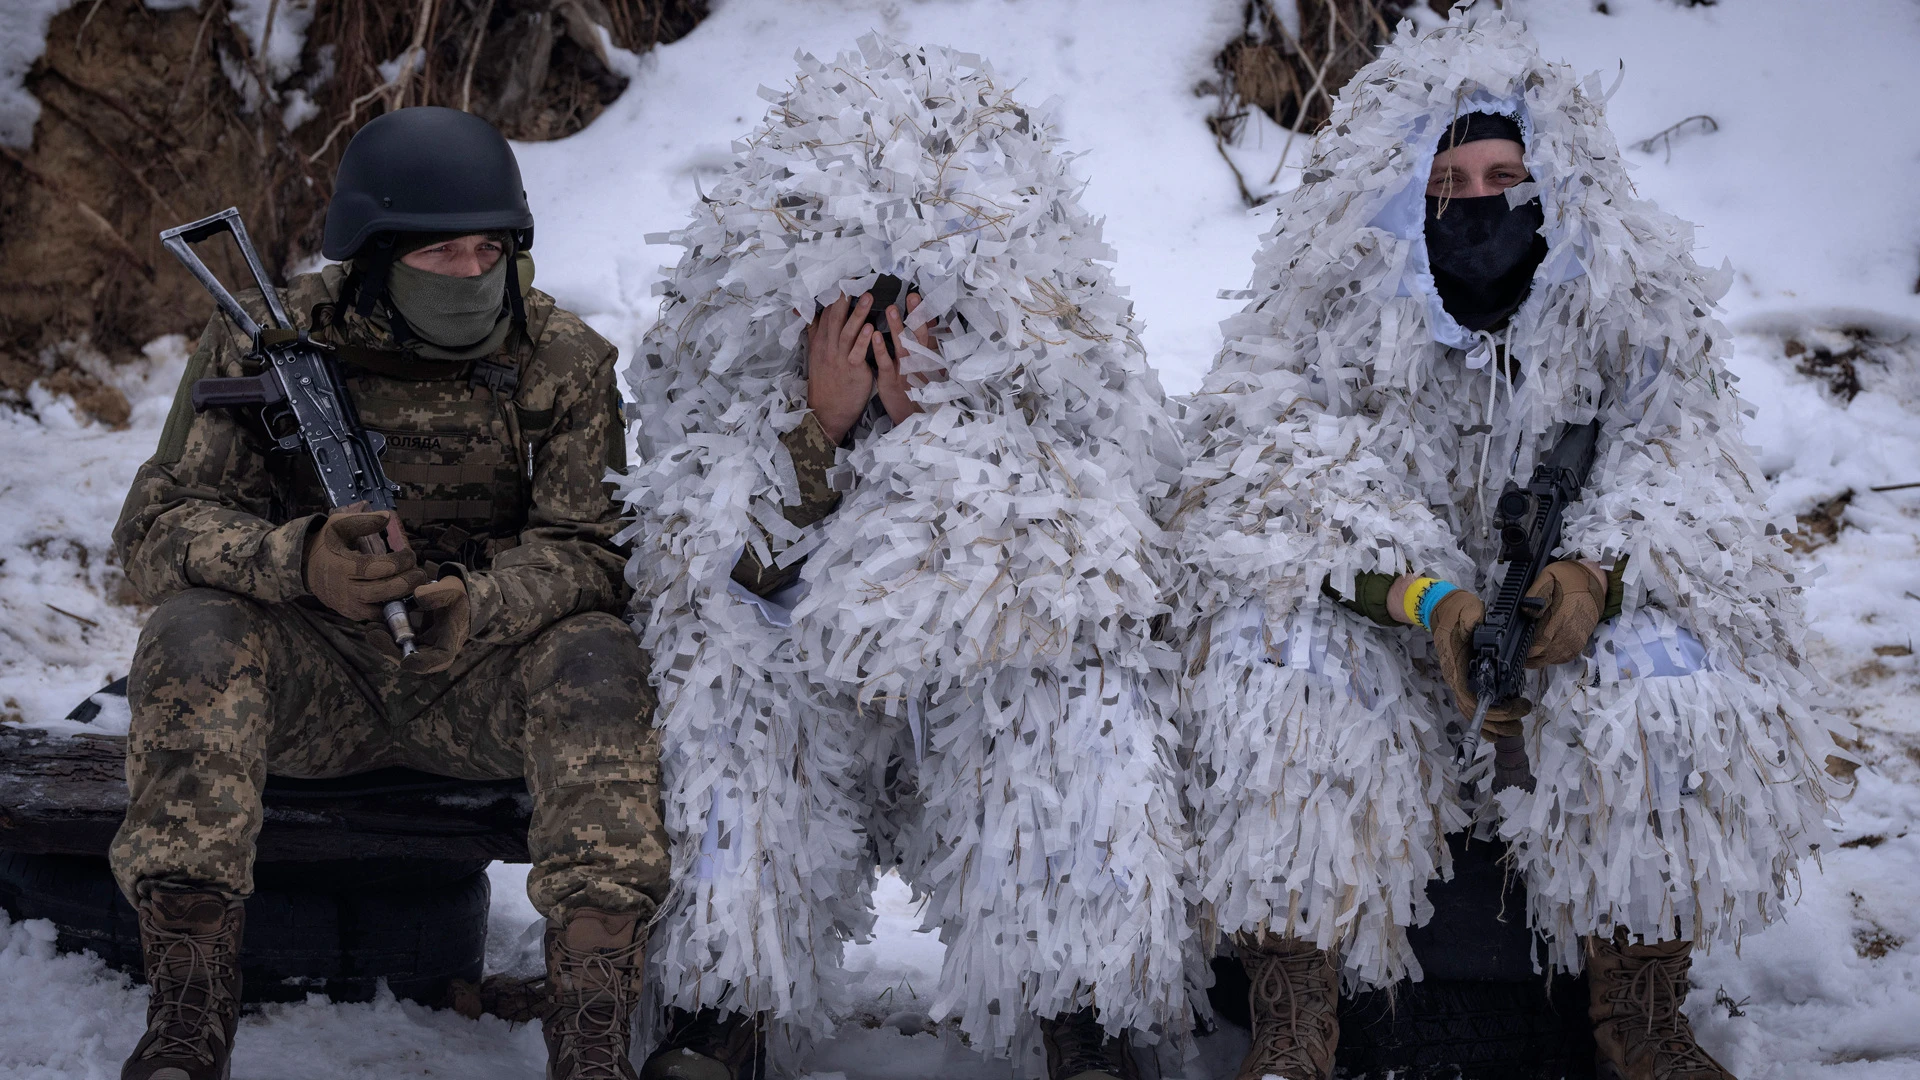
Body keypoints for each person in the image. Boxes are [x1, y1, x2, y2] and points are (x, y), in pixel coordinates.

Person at [1171, 12, 1846, 1080]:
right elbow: (1262, 484)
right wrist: (1417, 599)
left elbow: (1692, 477)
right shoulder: (1321, 315)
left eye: (1507, 176)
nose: (1480, 205)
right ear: (1398, 192)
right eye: (1448, 184)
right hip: (1393, 672)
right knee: (1277, 672)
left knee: (1669, 679)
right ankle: (1295, 1014)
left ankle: (1639, 1011)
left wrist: (1595, 583)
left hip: (1560, 670)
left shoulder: (1629, 316)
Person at [619, 37, 1195, 1080]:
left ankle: (1083, 1017)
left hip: (972, 705)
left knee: (1076, 691)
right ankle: (723, 1006)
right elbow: (698, 561)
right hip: (810, 696)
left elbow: (1094, 565)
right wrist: (816, 432)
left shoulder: (1068, 371)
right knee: (725, 687)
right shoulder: (733, 366)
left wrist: (940, 429)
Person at [109, 106, 666, 1080]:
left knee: (598, 655)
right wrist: (301, 561)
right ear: (371, 255)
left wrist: (477, 603)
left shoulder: (560, 360)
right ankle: (186, 1026)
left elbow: (592, 552)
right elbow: (154, 540)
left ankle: (592, 1039)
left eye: (489, 248)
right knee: (191, 630)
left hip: (477, 684)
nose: (472, 272)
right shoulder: (272, 344)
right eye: (441, 252)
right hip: (310, 688)